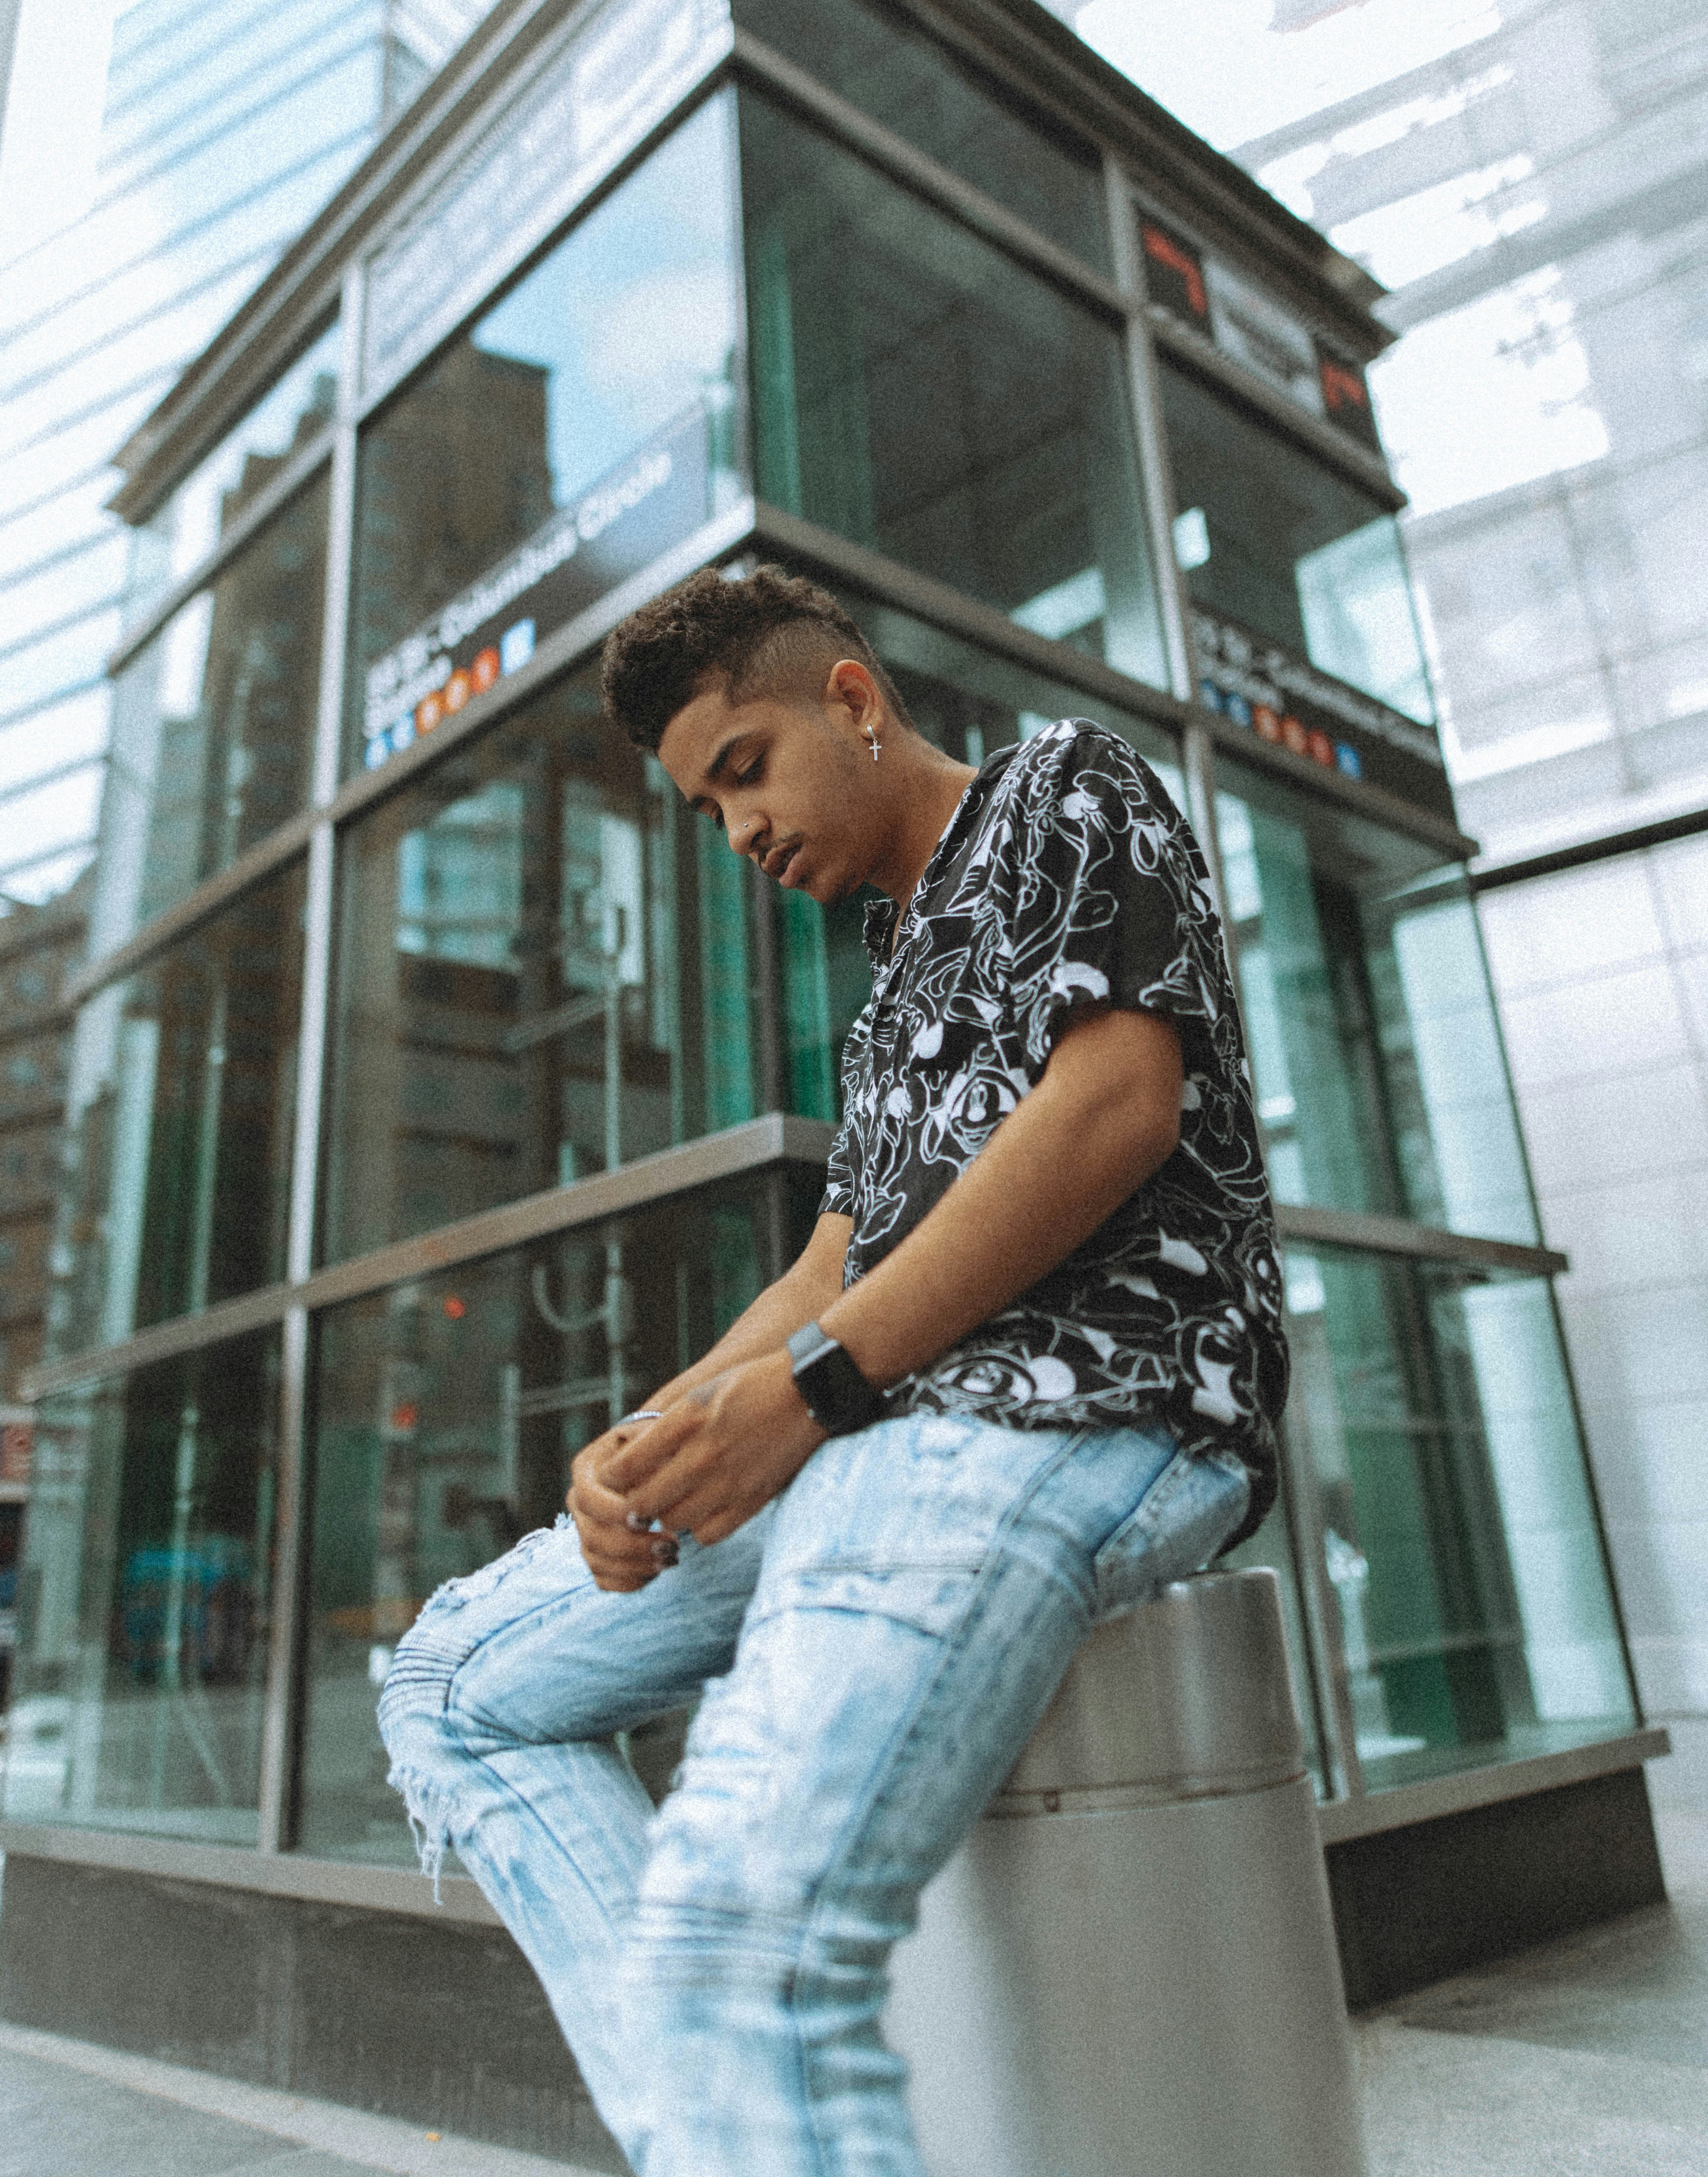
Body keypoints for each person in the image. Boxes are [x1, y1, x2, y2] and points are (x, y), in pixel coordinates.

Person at [379, 563, 1287, 2177]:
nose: (739, 833)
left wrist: (803, 1399)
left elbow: (1110, 1110)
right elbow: (831, 1270)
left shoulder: (1062, 791)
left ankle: (738, 2098)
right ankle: (721, 2136)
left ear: (853, 702)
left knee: (742, 1946)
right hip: (877, 1420)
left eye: (746, 771)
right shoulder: (885, 989)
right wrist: (651, 1439)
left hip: (1089, 1404)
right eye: (705, 809)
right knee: (450, 1689)